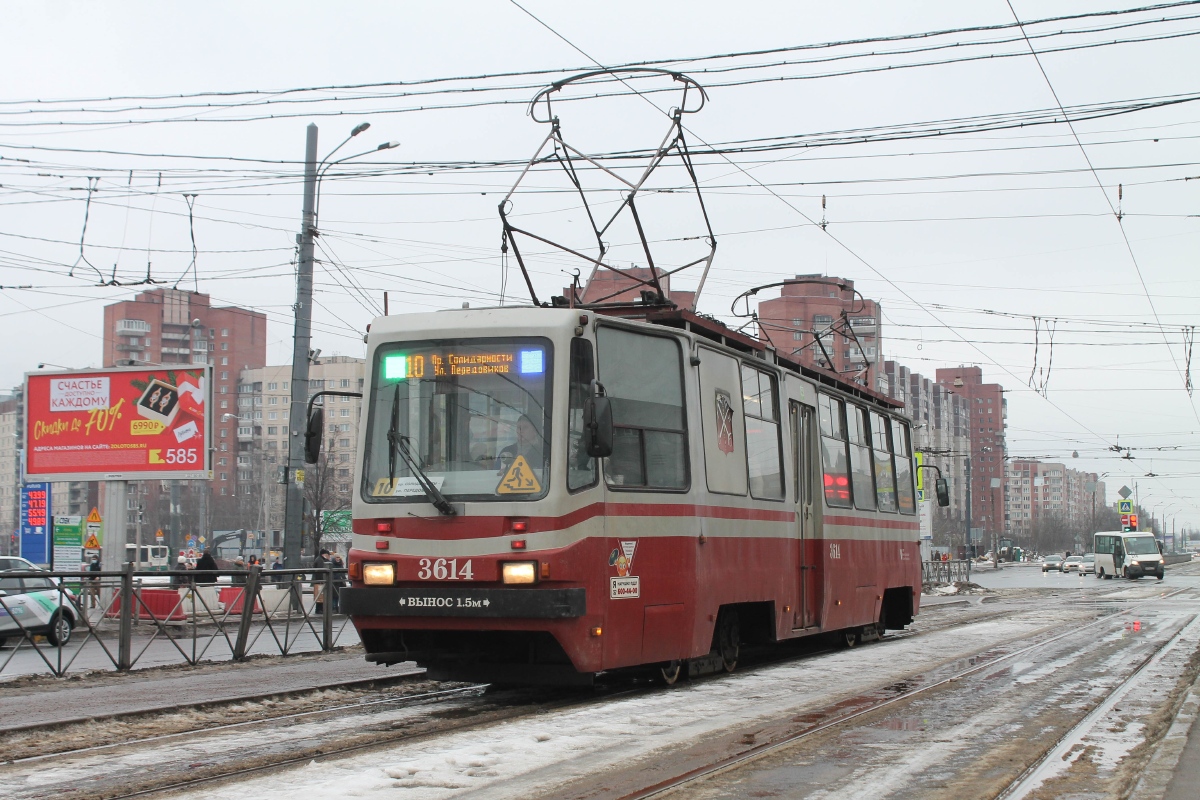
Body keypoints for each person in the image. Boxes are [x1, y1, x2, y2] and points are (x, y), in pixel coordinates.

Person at [312, 549, 331, 614]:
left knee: (320, 595)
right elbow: (321, 571)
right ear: (324, 554)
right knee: (320, 596)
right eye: (327, 554)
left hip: (319, 580)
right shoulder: (320, 560)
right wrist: (322, 580)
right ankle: (319, 609)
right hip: (320, 581)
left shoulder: (320, 559)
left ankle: (320, 609)